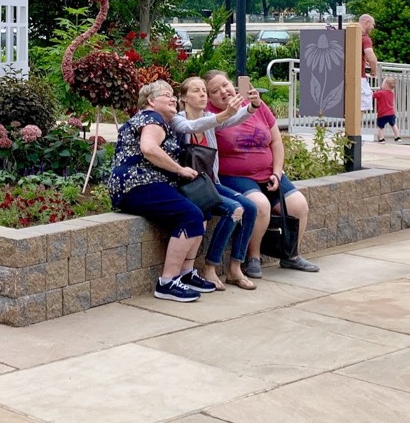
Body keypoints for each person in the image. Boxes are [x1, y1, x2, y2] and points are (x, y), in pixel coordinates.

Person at [109, 80, 217, 303]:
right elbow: (148, 149)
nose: (173, 99)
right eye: (166, 95)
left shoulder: (161, 122)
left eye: (173, 96)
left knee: (203, 212)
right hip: (137, 185)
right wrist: (179, 169)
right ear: (150, 101)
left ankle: (186, 274)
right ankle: (167, 283)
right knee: (190, 216)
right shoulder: (151, 118)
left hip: (151, 184)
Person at [205, 69, 320, 275]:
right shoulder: (211, 115)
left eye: (225, 85)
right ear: (209, 97)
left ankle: (291, 255)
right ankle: (253, 258)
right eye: (215, 91)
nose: (223, 91)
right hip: (236, 177)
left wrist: (277, 172)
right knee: (261, 205)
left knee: (298, 205)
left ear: (233, 84)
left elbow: (276, 140)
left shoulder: (257, 105)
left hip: (268, 173)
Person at [172, 76, 259, 290]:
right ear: (183, 98)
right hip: (190, 187)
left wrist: (253, 106)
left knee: (251, 207)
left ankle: (235, 267)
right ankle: (210, 267)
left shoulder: (212, 118)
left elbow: (233, 119)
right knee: (235, 209)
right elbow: (192, 126)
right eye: (196, 90)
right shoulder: (177, 119)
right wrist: (223, 115)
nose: (202, 94)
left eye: (204, 90)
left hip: (210, 183)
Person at [360, 14, 379, 118]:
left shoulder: (350, 35)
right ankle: (355, 131)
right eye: (372, 24)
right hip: (359, 77)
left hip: (347, 75)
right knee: (362, 104)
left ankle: (349, 131)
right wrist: (374, 70)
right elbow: (371, 56)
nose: (373, 27)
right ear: (366, 22)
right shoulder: (365, 38)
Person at [374, 76, 401, 142]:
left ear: (385, 85)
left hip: (382, 114)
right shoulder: (392, 94)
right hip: (391, 113)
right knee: (393, 125)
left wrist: (374, 91)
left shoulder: (381, 93)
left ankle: (382, 138)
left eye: (382, 83)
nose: (381, 85)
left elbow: (374, 95)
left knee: (380, 126)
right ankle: (397, 136)